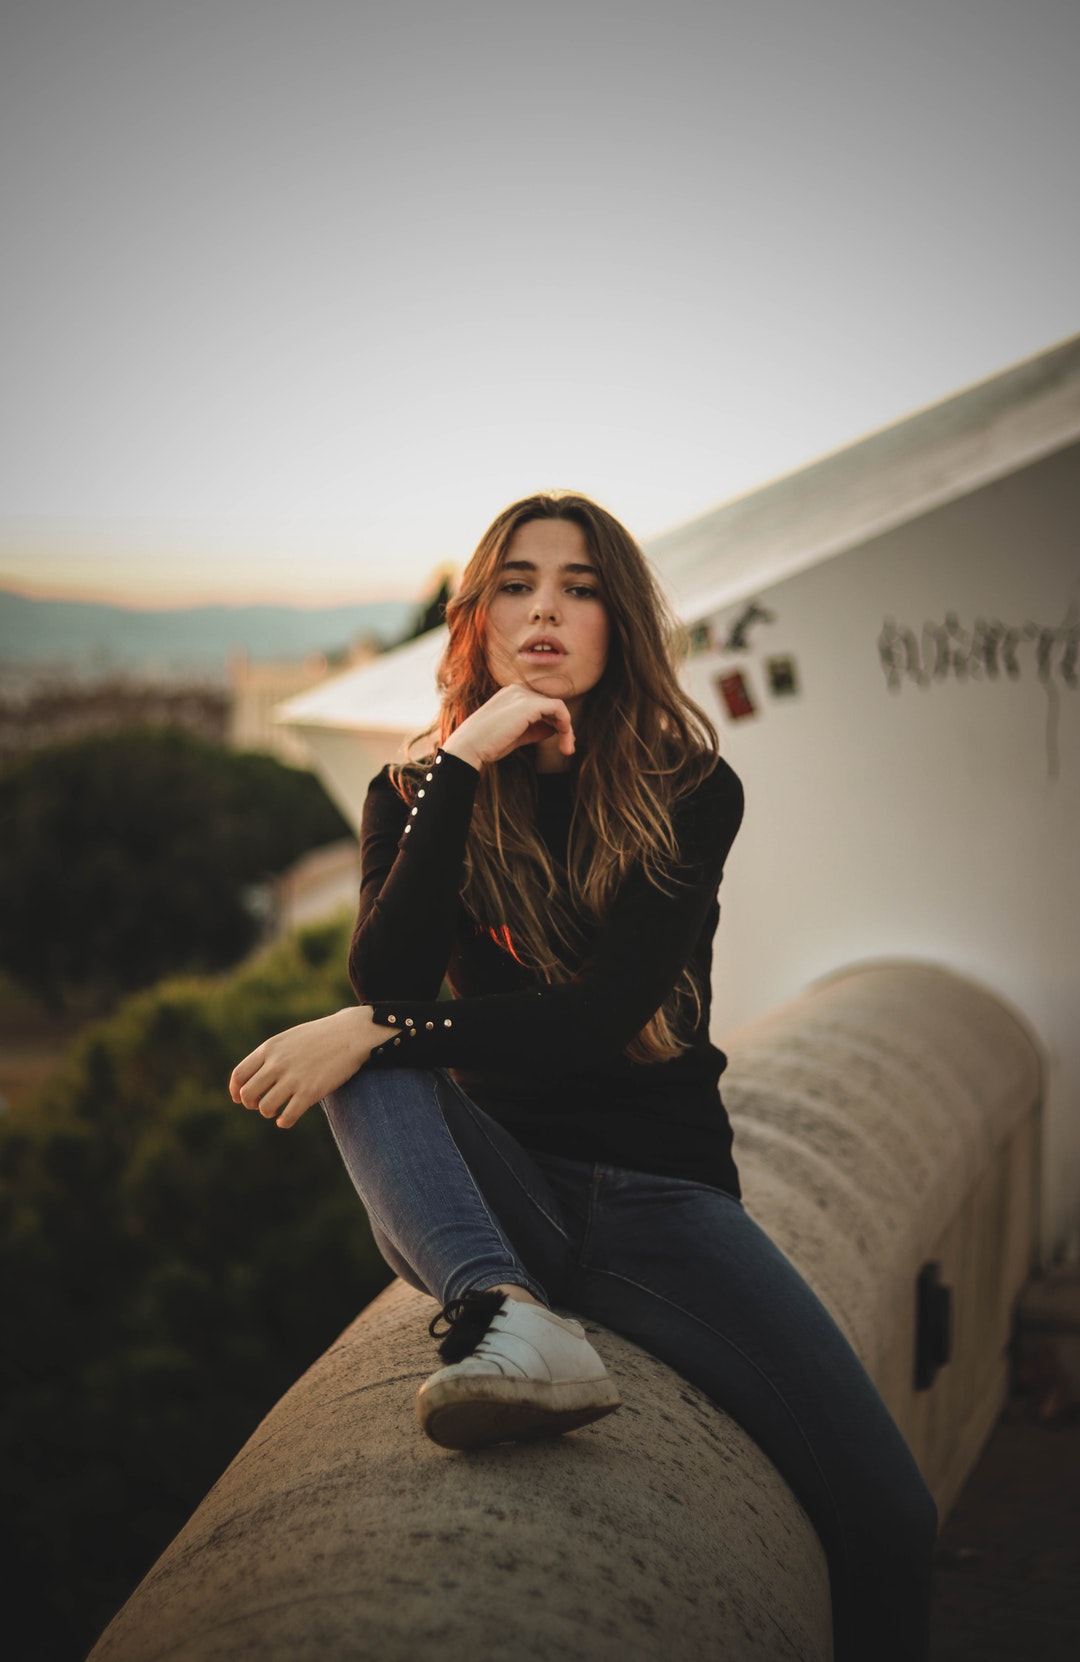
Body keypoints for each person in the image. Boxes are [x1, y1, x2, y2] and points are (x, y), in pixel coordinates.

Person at [229, 492, 937, 1660]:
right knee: (370, 1060)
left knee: (889, 1516)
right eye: (516, 584)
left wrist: (371, 1030)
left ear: (622, 624)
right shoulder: (411, 793)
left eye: (580, 586)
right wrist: (460, 763)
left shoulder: (691, 790)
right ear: (478, 619)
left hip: (665, 1205)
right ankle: (503, 1314)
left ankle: (515, 1306)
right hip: (500, 1193)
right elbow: (391, 968)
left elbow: (606, 1020)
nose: (546, 609)